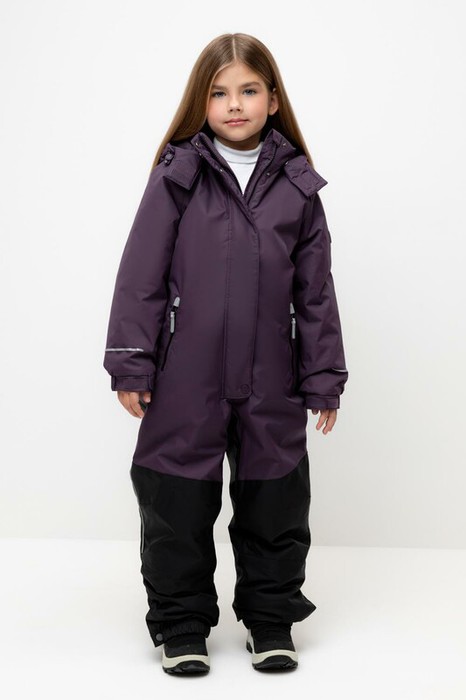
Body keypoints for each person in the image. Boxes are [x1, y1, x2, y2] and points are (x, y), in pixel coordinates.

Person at [103, 32, 349, 675]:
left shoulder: (297, 187)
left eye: (248, 90)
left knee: (276, 501)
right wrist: (131, 361)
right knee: (176, 502)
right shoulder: (178, 176)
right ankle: (181, 623)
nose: (234, 104)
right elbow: (141, 275)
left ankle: (270, 621)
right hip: (185, 376)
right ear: (201, 102)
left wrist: (323, 376)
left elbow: (315, 292)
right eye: (218, 93)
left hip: (272, 377)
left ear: (273, 100)